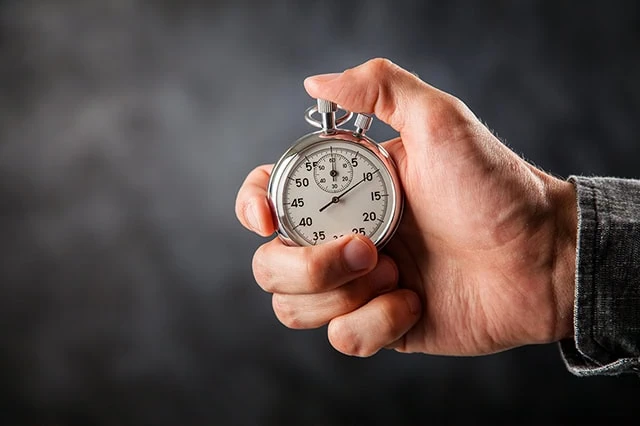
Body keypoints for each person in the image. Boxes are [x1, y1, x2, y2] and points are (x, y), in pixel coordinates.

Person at [235, 58, 640, 376]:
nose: (336, 196)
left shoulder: (382, 164)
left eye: (347, 188)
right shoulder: (329, 171)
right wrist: (557, 261)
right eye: (328, 194)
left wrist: (555, 251)